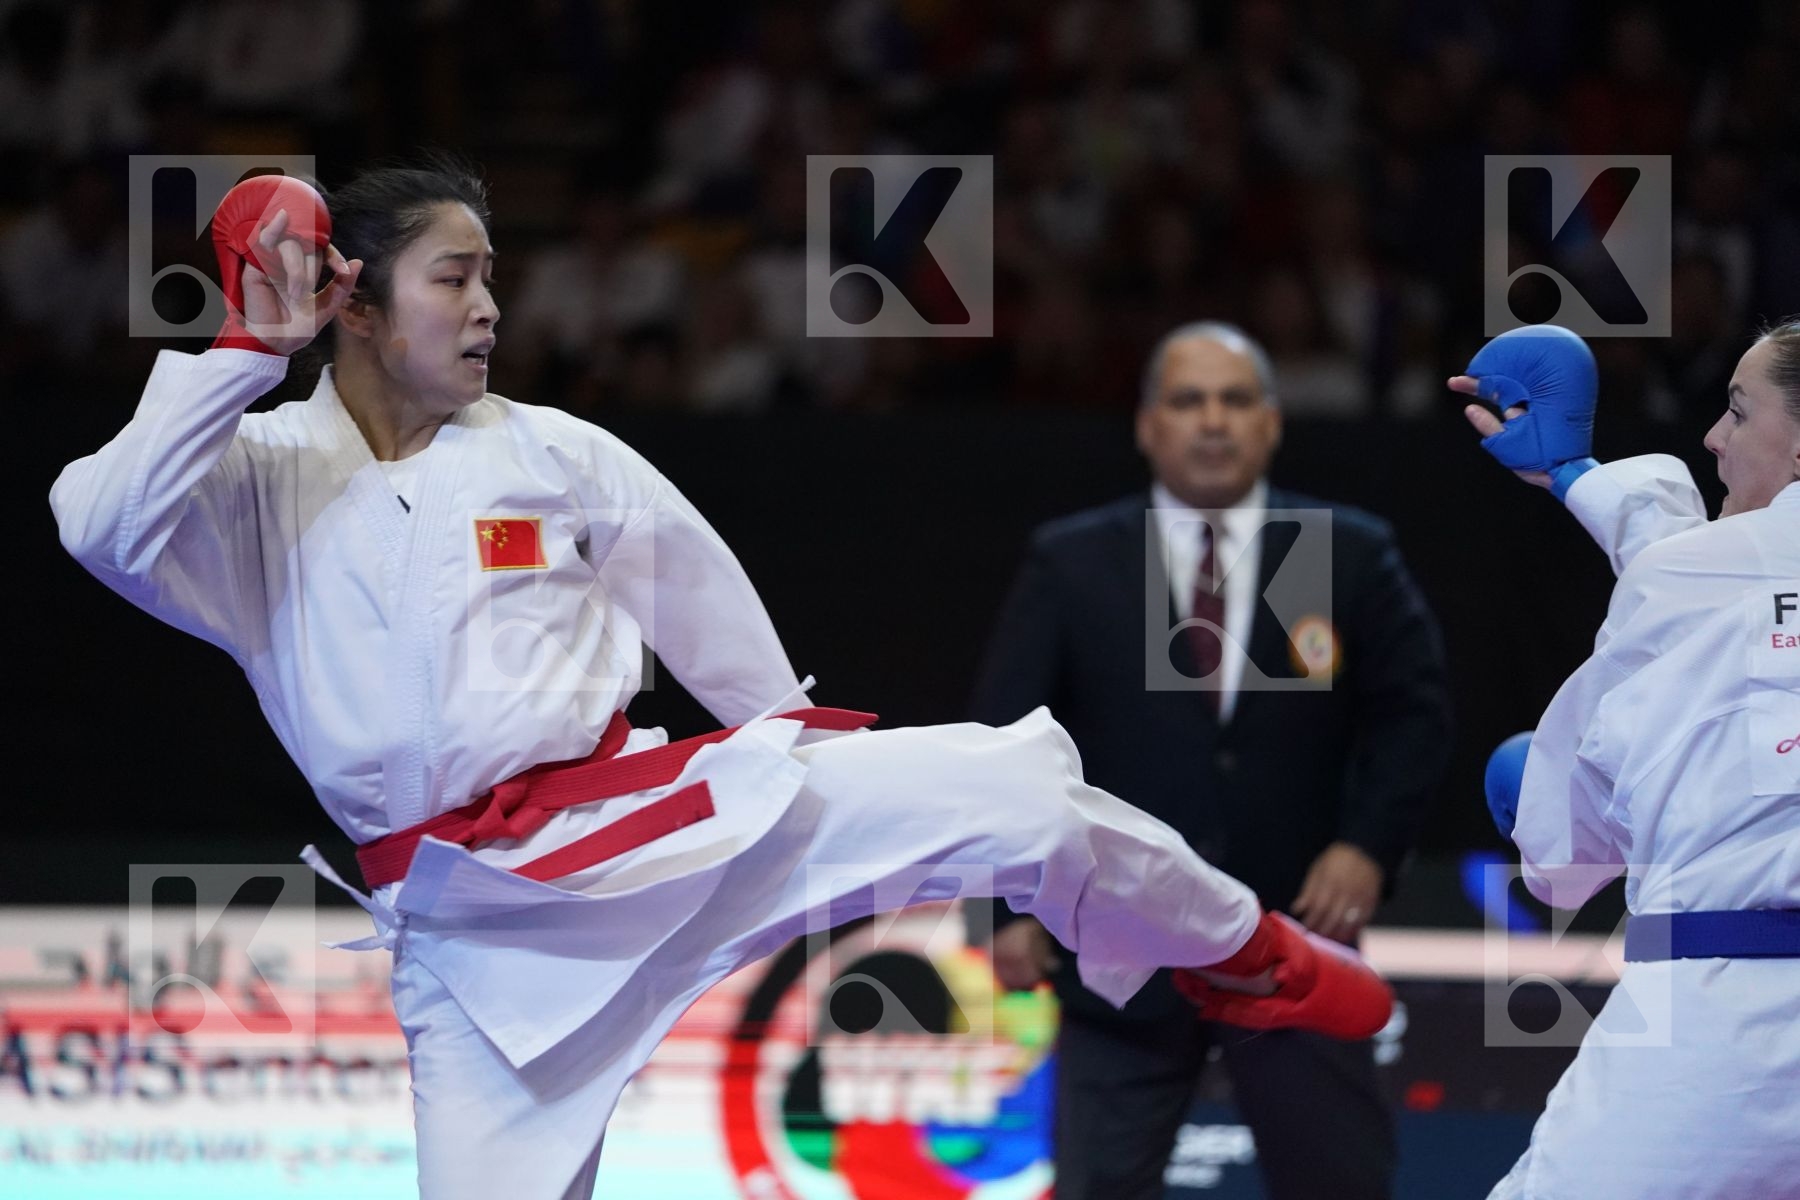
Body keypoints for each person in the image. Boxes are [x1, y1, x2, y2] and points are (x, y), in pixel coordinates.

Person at [48, 160, 1392, 1200]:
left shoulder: (552, 453)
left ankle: (1244, 952)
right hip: (471, 938)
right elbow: (97, 527)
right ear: (354, 296)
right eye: (456, 279)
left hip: (660, 829)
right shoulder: (257, 490)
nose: (491, 309)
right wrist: (242, 349)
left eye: (494, 279)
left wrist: (793, 753)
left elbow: (701, 603)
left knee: (1016, 794)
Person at [974, 321, 1452, 1200]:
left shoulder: (1333, 549)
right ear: (1147, 424)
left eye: (1235, 400)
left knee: (1339, 1184)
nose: (1213, 421)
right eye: (1188, 400)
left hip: (1296, 939)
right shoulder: (1074, 559)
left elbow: (1414, 719)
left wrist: (1367, 849)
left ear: (1271, 422)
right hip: (1118, 943)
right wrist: (1007, 906)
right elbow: (1004, 740)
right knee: (1098, 1188)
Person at [1449, 322, 1799, 1199]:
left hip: (1724, 1029)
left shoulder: (1685, 581)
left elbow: (1565, 860)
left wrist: (1531, 790)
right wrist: (1577, 480)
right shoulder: (1698, 577)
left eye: (1738, 411)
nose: (1716, 437)